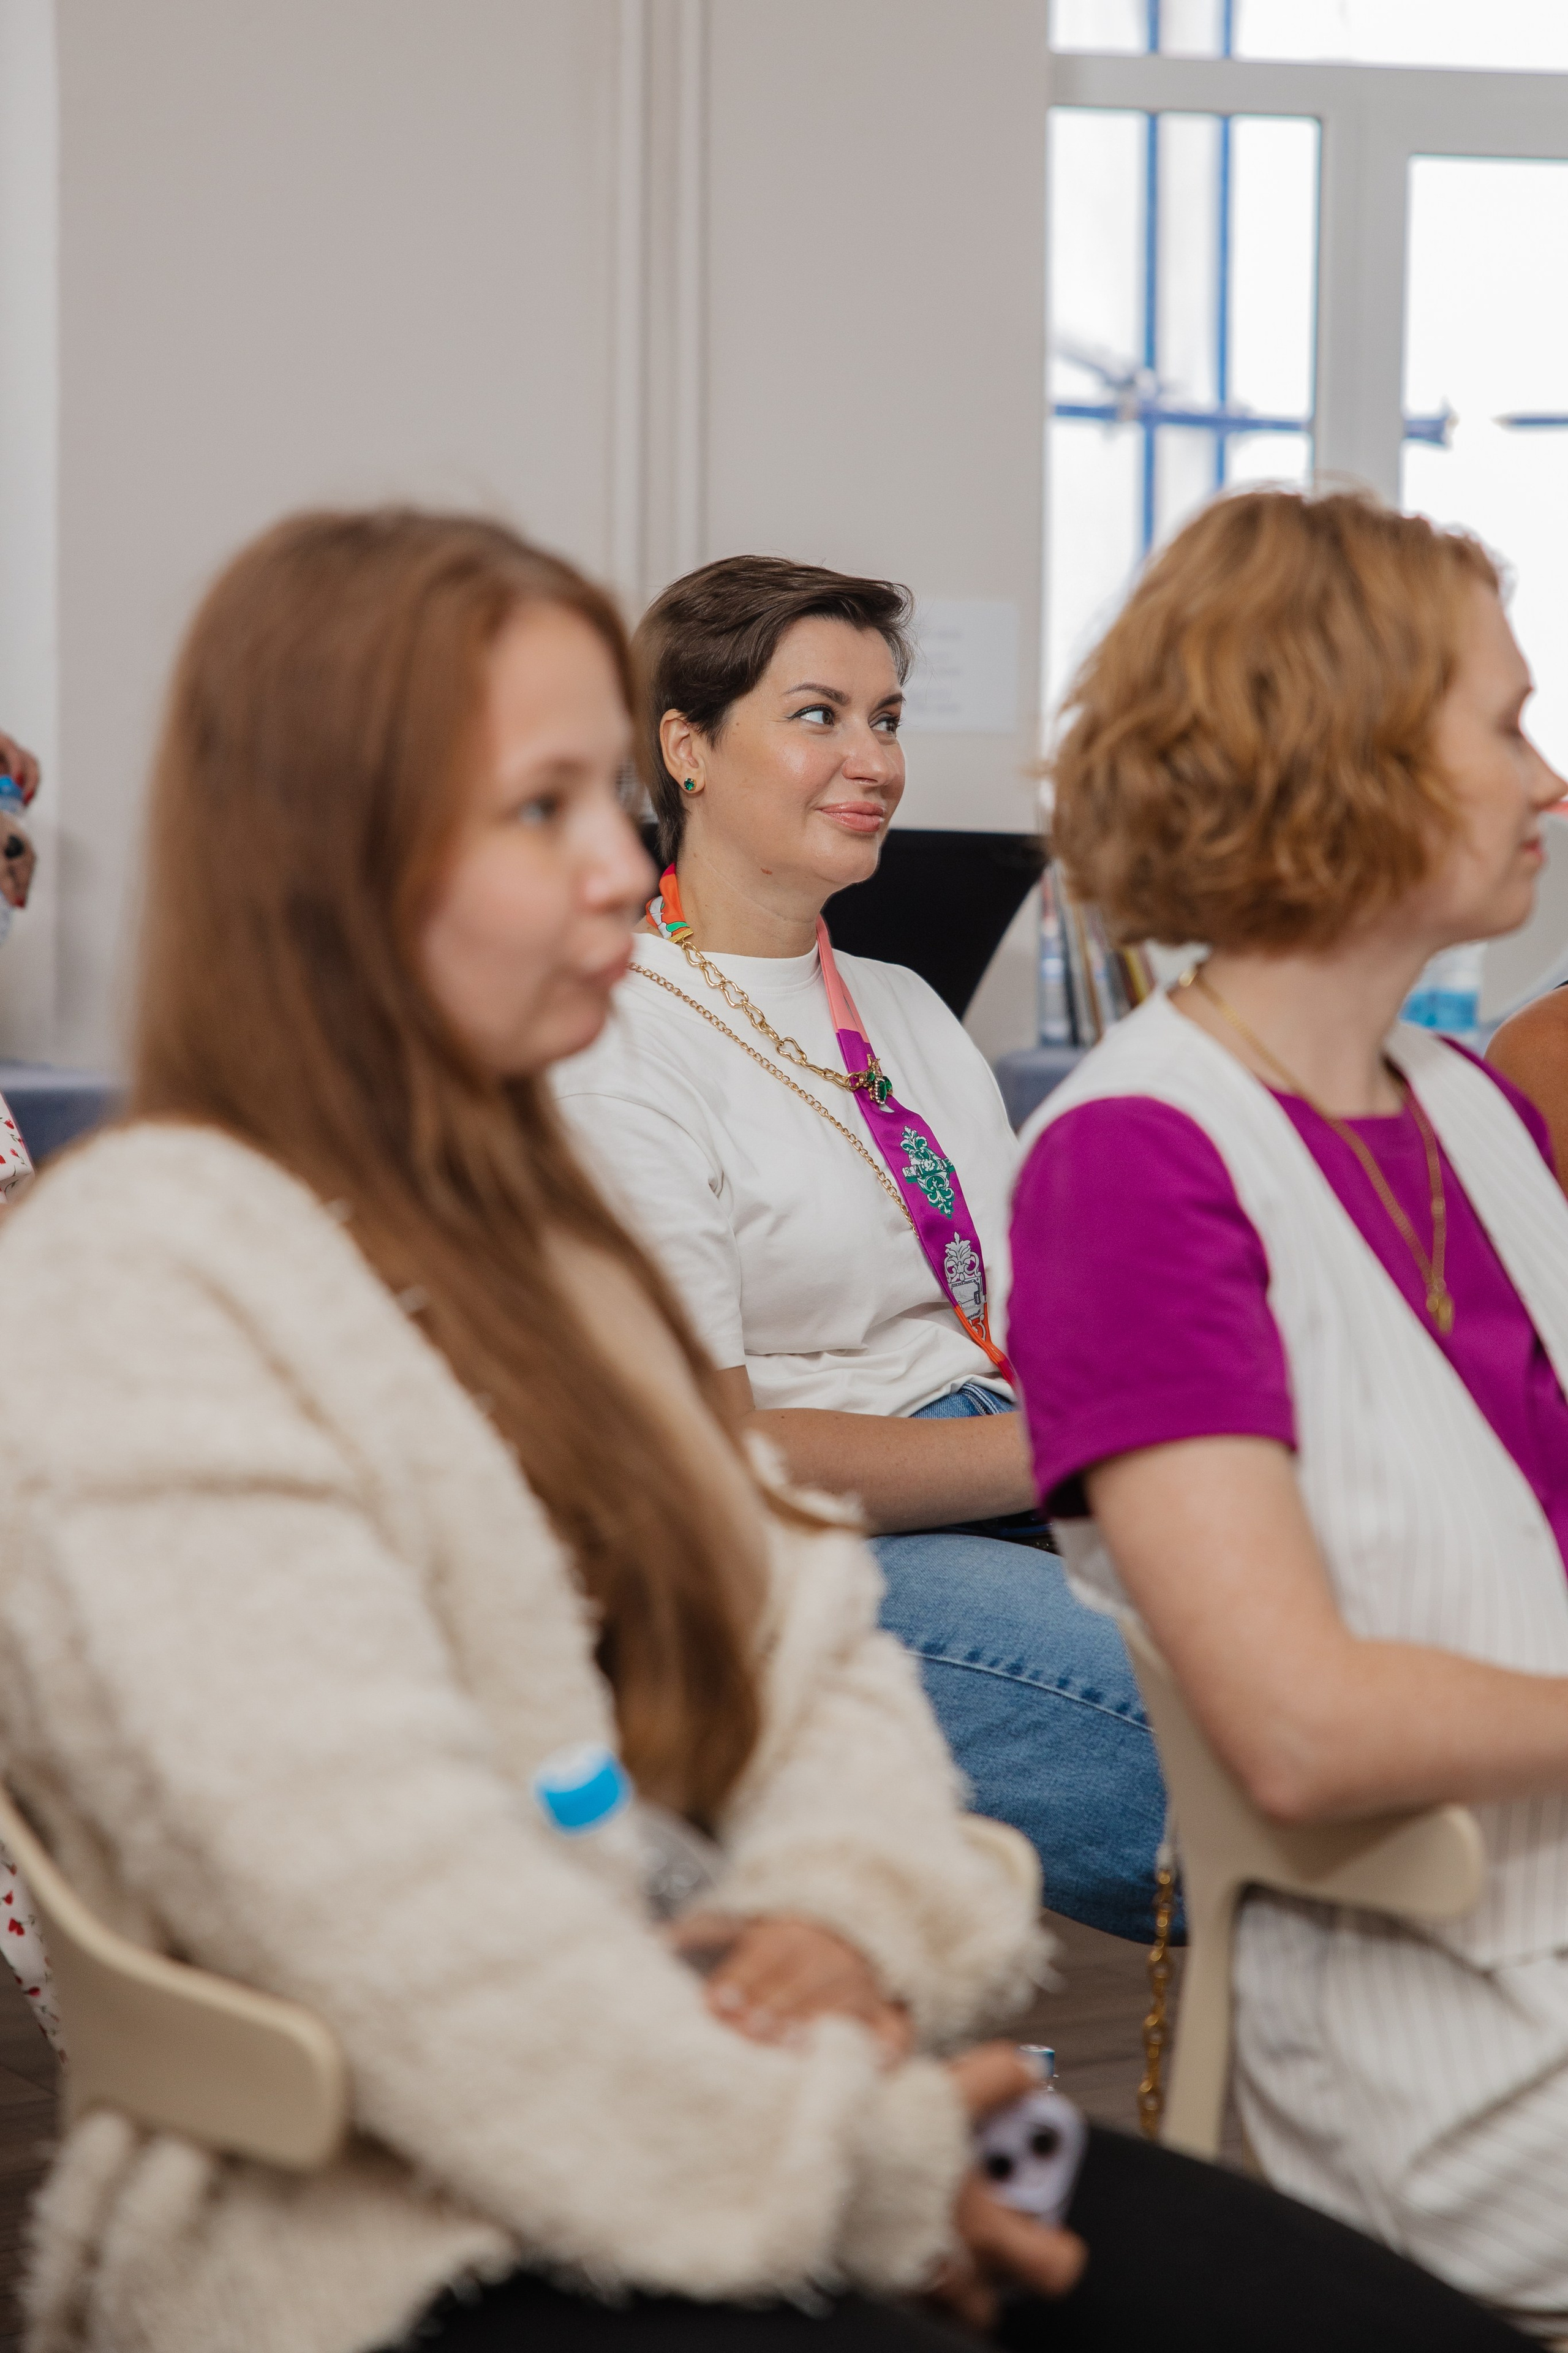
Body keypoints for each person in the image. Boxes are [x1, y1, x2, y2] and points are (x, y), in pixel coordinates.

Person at [0, 507, 1518, 2353]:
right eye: (539, 809)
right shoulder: (150, 1277)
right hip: (413, 2221)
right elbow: (389, 1934)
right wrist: (862, 2143)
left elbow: (827, 1695)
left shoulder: (546, 1252)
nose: (611, 873)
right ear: (338, 859)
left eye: (601, 804)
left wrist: (848, 1924)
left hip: (772, 2099)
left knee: (1373, 2331)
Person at [1009, 483, 1568, 2338]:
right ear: (1351, 760)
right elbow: (1303, 1727)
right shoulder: (1131, 1163)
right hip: (1464, 2025)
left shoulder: (1467, 1111)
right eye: (1504, 726)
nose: (1549, 782)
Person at [552, 556, 1166, 1941]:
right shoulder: (610, 1035)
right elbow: (704, 1453)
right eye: (818, 715)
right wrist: (1067, 1445)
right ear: (686, 748)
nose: (872, 760)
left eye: (886, 719)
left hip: (1000, 1466)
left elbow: (1009, 1309)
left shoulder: (896, 1006)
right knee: (1227, 1720)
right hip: (786, 1548)